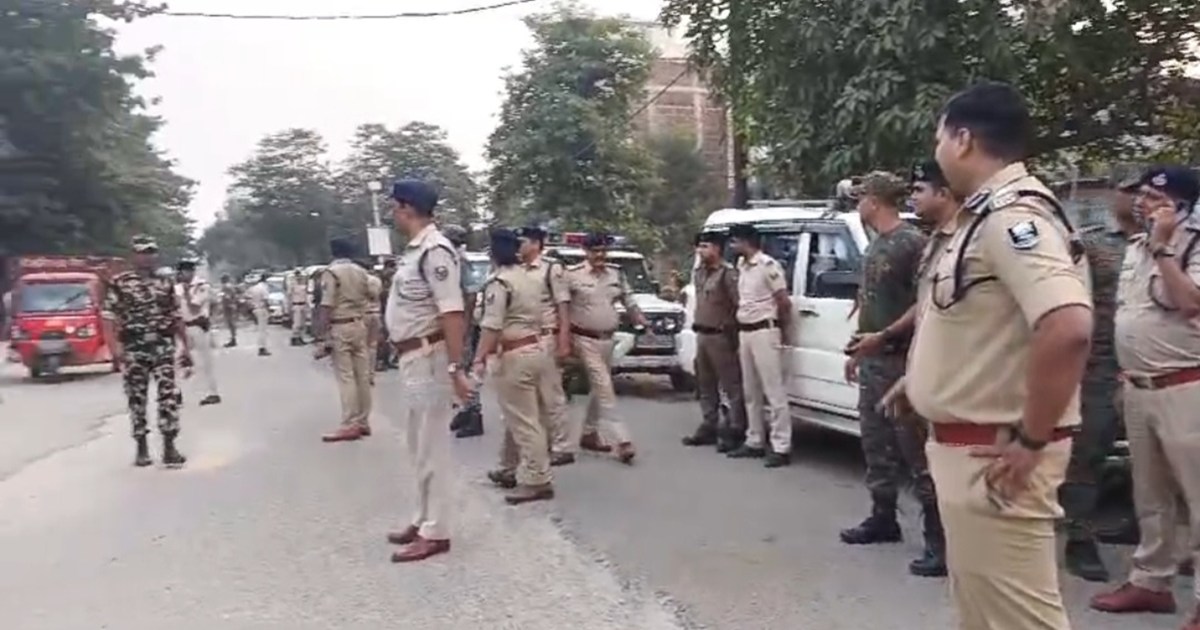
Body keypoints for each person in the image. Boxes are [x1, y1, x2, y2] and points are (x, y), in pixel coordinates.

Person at [900, 82, 1093, 630]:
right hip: (970, 451)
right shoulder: (980, 217)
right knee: (984, 616)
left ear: (963, 139)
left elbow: (1068, 326)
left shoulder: (1012, 218)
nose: (938, 151)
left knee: (1020, 618)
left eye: (940, 138)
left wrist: (1031, 438)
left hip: (995, 458)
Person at [1091, 165, 1200, 630]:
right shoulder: (1135, 246)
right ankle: (1151, 582)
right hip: (1139, 385)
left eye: (1156, 199)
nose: (1143, 204)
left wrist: (1164, 246)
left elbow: (1190, 302)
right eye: (1142, 197)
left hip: (1186, 387)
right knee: (1151, 495)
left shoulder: (1191, 244)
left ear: (1182, 206)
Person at [839, 171, 942, 575]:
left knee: (915, 449)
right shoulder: (876, 245)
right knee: (875, 443)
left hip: (901, 360)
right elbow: (870, 303)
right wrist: (858, 350)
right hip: (874, 360)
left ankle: (938, 539)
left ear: (875, 200)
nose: (857, 204)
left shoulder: (911, 243)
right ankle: (883, 517)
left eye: (861, 197)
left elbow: (925, 302)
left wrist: (883, 337)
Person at [383, 180, 470, 563]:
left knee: (433, 448)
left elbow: (452, 311)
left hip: (429, 355)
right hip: (412, 356)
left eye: (394, 206)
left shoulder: (435, 251)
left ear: (407, 208)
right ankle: (422, 519)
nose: (392, 213)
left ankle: (437, 531)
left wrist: (454, 366)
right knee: (418, 445)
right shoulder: (416, 251)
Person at [1058, 174, 1139, 583]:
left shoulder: (1175, 245)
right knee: (1088, 453)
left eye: (1144, 191)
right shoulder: (1091, 243)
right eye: (1129, 190)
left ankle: (1145, 531)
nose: (1137, 198)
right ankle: (1079, 536)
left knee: (1154, 458)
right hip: (1099, 365)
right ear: (1113, 195)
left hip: (1149, 364)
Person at [473, 228, 556, 504]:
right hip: (536, 348)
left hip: (514, 353)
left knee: (524, 421)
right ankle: (510, 467)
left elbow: (492, 325)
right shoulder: (528, 278)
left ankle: (537, 479)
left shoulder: (500, 283)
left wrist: (479, 358)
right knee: (522, 415)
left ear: (493, 253)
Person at [101, 235, 192, 468]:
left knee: (168, 395)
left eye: (151, 252)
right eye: (142, 252)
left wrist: (185, 347)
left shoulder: (165, 282)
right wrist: (114, 350)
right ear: (134, 256)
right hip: (134, 346)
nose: (147, 257)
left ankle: (169, 446)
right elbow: (108, 317)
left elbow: (175, 315)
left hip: (162, 345)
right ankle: (141, 448)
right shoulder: (120, 282)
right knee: (137, 397)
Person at [564, 233, 648, 464]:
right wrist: (563, 339)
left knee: (598, 387)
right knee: (604, 386)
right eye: (595, 251)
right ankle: (623, 440)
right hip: (583, 338)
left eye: (603, 250)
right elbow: (561, 307)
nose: (600, 255)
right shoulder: (572, 275)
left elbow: (628, 301)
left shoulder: (615, 273)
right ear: (585, 252)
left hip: (608, 340)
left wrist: (640, 320)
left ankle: (589, 433)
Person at [726, 223, 794, 468]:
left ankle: (781, 445)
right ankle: (754, 439)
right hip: (746, 331)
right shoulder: (742, 266)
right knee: (751, 391)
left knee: (773, 391)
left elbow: (783, 301)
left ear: (746, 241)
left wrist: (784, 331)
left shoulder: (767, 265)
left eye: (735, 241)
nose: (732, 246)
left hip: (765, 330)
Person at [681, 231, 748, 454]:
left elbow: (738, 304)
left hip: (721, 335)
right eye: (699, 246)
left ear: (717, 249)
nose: (700, 251)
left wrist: (734, 334)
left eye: (705, 246)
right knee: (705, 384)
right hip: (702, 333)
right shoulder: (699, 272)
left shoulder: (727, 274)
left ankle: (736, 428)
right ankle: (709, 423)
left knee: (731, 385)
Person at [515, 225, 573, 465]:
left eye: (523, 241)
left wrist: (564, 341)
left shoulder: (551, 269)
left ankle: (562, 446)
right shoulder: (517, 269)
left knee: (552, 394)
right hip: (524, 340)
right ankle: (543, 443)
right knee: (532, 398)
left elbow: (563, 307)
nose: (519, 246)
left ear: (536, 244)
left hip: (546, 337)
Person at [315, 241, 374, 443]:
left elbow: (327, 304)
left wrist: (322, 335)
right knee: (362, 376)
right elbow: (372, 294)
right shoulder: (361, 272)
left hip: (340, 325)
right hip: (359, 324)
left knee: (346, 377)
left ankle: (350, 423)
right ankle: (363, 421)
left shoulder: (332, 273)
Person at [444, 224, 483, 438]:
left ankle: (474, 415)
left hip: (462, 324)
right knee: (456, 369)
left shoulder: (460, 262)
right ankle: (464, 410)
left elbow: (471, 295)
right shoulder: (453, 260)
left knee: (464, 369)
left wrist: (465, 325)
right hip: (455, 322)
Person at [175, 258, 220, 406]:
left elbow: (194, 307)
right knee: (177, 359)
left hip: (198, 326)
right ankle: (176, 392)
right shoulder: (177, 288)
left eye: (186, 271)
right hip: (182, 327)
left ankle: (211, 393)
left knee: (203, 361)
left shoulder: (201, 286)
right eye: (181, 272)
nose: (183, 274)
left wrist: (186, 293)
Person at [360, 262, 384, 386]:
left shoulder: (359, 281)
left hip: (363, 314)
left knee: (362, 346)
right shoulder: (377, 280)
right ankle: (371, 374)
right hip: (376, 313)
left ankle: (363, 374)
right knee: (373, 346)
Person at [377, 258, 397, 370]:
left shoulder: (379, 279)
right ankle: (385, 360)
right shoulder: (391, 278)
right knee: (387, 337)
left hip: (381, 311)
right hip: (388, 311)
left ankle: (384, 360)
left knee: (384, 337)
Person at [245, 274, 271, 357]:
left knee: (260, 329)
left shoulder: (253, 288)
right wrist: (268, 309)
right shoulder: (264, 288)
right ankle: (262, 347)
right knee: (263, 330)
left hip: (255, 309)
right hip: (262, 309)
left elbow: (248, 298)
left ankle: (262, 347)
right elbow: (266, 299)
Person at [288, 269, 309, 346]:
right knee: (297, 323)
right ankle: (294, 338)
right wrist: (290, 306)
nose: (299, 277)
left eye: (300, 276)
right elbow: (289, 296)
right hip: (296, 304)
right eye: (297, 276)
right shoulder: (292, 285)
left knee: (302, 323)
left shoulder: (303, 285)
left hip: (303, 304)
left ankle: (300, 337)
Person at [219, 274, 239, 347]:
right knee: (231, 323)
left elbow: (228, 297)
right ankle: (233, 338)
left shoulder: (226, 287)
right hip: (230, 306)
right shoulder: (229, 286)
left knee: (231, 323)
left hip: (229, 306)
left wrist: (222, 296)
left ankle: (233, 339)